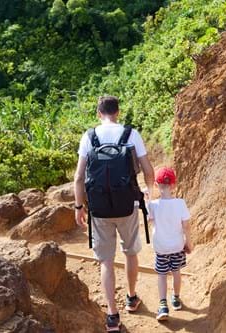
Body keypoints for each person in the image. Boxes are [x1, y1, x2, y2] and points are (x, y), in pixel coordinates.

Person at [74, 96, 155, 332]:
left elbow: (79, 177)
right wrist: (150, 194)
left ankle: (112, 315)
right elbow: (148, 170)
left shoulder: (89, 137)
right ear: (117, 111)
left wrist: (79, 207)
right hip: (127, 204)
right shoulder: (131, 134)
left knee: (106, 261)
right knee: (130, 252)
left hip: (99, 209)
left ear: (99, 113)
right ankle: (131, 297)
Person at [148, 166, 192, 321]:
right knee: (176, 271)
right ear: (173, 185)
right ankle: (176, 298)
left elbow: (151, 221)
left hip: (161, 248)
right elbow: (186, 226)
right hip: (177, 246)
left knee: (161, 275)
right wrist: (189, 243)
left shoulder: (153, 205)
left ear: (156, 185)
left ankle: (162, 305)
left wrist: (149, 199)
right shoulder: (180, 203)